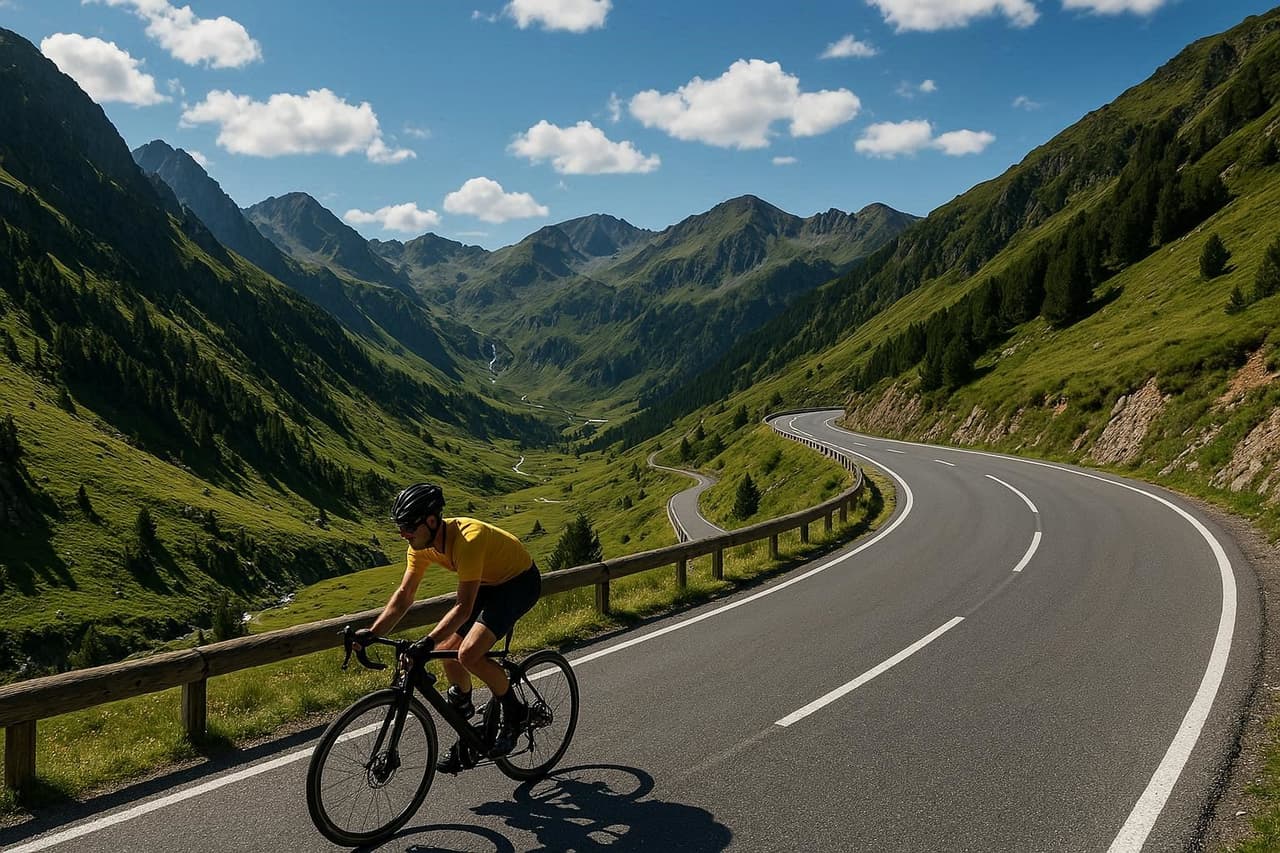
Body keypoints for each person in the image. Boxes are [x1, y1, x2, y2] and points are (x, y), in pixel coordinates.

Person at [353, 482, 542, 772]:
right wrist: (373, 632)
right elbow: (404, 595)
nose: (403, 534)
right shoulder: (419, 547)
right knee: (447, 653)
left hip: (519, 583)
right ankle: (468, 725)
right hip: (488, 583)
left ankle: (515, 713)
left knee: (468, 654)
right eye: (400, 527)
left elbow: (463, 607)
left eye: (408, 527)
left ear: (431, 521)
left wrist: (425, 642)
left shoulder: (468, 539)